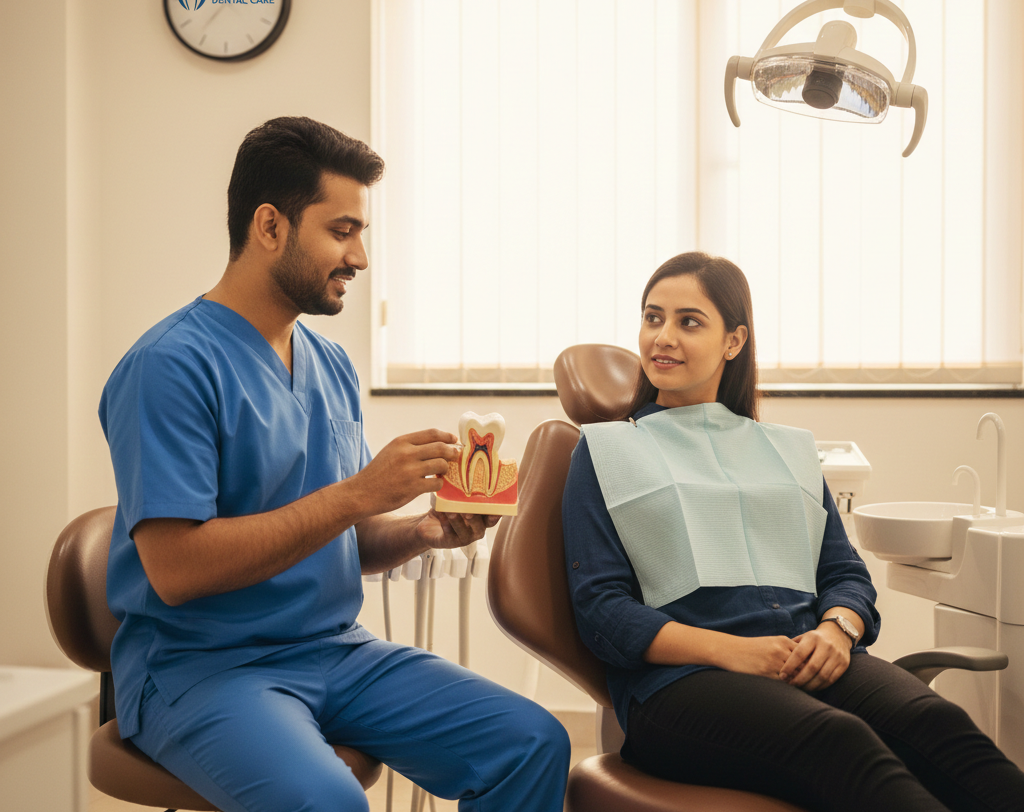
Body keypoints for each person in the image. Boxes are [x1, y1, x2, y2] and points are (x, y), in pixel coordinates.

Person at [100, 116, 569, 812]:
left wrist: (419, 532)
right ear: (270, 226)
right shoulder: (168, 366)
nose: (361, 257)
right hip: (200, 668)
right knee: (330, 803)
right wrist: (358, 494)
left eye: (362, 233)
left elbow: (338, 538)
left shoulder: (330, 364)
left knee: (532, 741)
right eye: (342, 231)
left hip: (335, 651)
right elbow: (176, 570)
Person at [562, 251, 1024, 812]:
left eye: (689, 321)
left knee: (937, 722)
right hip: (680, 686)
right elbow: (602, 609)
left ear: (734, 341)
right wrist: (734, 652)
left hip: (806, 656)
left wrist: (837, 631)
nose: (663, 337)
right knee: (840, 742)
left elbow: (845, 573)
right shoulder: (605, 450)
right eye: (652, 317)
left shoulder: (786, 450)